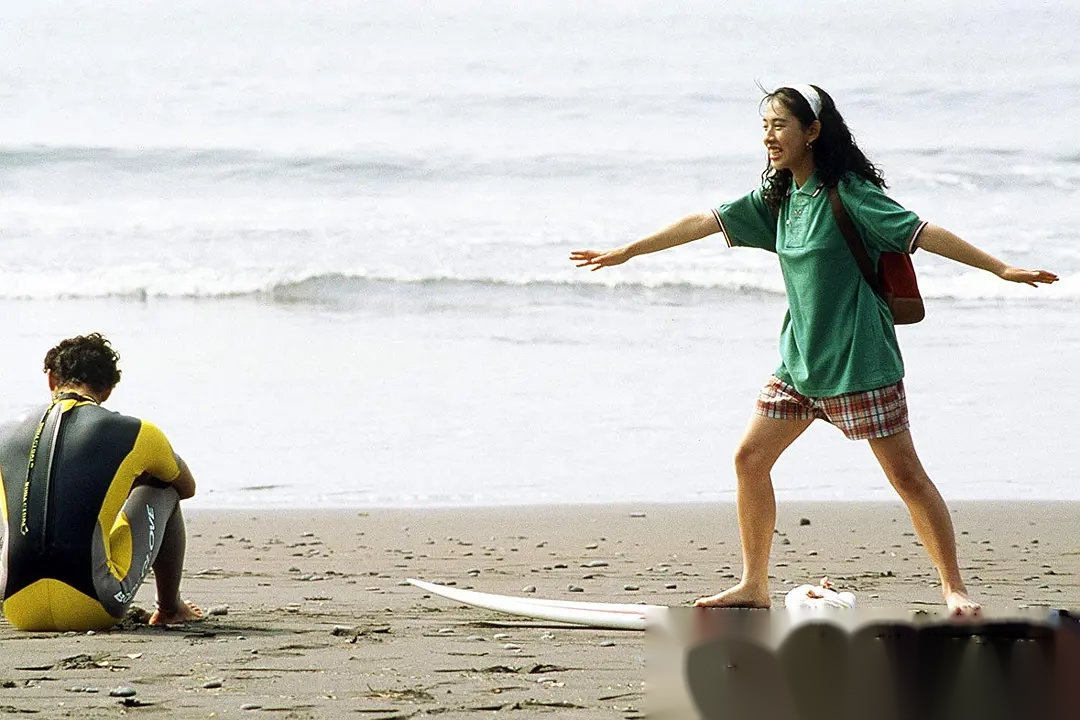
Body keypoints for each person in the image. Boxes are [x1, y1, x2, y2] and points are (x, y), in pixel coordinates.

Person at [571, 84, 1058, 616]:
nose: (769, 137)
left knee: (907, 478)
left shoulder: (849, 194)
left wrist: (1001, 269)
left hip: (860, 363)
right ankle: (753, 585)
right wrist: (628, 251)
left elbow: (923, 233)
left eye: (780, 125)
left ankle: (954, 590)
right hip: (799, 364)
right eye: (765, 127)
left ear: (813, 131)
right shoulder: (778, 200)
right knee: (750, 459)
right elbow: (703, 222)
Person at [0, 333, 204, 630]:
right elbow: (186, 487)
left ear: (51, 380)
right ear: (107, 390)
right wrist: (127, 480)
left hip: (18, 607)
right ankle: (170, 608)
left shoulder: (5, 432)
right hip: (95, 603)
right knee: (164, 489)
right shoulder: (138, 432)